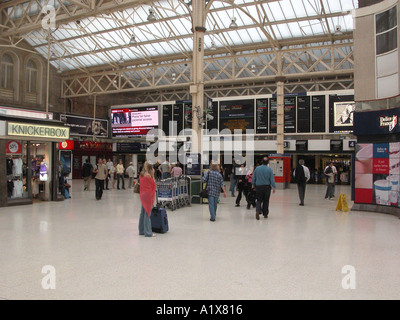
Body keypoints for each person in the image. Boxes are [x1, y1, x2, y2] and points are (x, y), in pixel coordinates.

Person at [138, 161, 157, 237]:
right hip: (148, 195)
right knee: (147, 213)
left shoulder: (141, 174)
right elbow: (153, 184)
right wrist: (153, 175)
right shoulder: (149, 175)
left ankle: (141, 230)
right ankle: (148, 232)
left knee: (142, 212)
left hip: (142, 195)